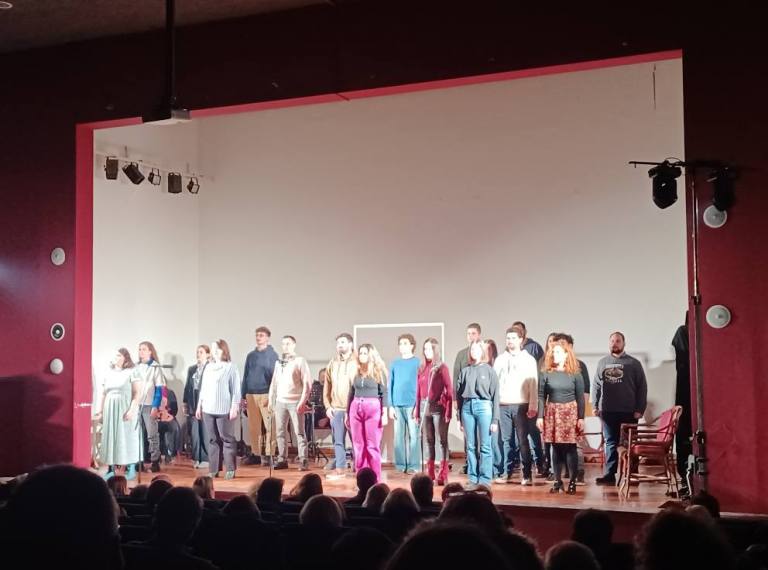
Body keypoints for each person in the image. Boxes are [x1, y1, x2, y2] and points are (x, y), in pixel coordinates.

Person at [593, 331, 648, 485]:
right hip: (608, 411)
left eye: (618, 341)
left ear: (624, 343)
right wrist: (595, 405)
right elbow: (596, 385)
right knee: (610, 443)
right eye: (612, 341)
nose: (614, 344)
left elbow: (642, 387)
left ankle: (632, 475)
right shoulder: (602, 362)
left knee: (630, 443)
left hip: (629, 411)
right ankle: (610, 475)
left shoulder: (634, 363)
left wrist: (640, 409)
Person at [537, 339, 585, 495]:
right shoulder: (546, 373)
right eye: (553, 352)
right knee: (555, 448)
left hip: (570, 412)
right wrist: (540, 416)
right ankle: (557, 481)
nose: (554, 355)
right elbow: (541, 396)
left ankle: (572, 482)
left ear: (566, 354)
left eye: (558, 352)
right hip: (553, 412)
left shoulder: (575, 374)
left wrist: (581, 418)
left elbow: (580, 397)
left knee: (570, 447)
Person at [493, 325, 539, 485]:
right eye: (508, 338)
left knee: (522, 440)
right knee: (506, 441)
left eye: (513, 338)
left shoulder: (528, 359)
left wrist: (533, 405)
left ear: (521, 340)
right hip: (503, 404)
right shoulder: (500, 359)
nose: (510, 341)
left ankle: (526, 474)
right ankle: (507, 472)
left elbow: (533, 384)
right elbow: (495, 383)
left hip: (521, 404)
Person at [94, 348, 142, 481]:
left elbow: (137, 393)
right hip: (110, 408)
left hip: (124, 407)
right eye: (115, 355)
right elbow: (103, 393)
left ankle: (130, 468)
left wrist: (131, 410)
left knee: (126, 437)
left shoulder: (132, 371)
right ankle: (111, 469)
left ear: (125, 358)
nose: (116, 357)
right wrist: (100, 411)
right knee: (111, 438)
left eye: (119, 355)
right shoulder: (109, 372)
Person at [196, 339, 241, 480]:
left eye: (218, 349)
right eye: (213, 349)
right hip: (208, 408)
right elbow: (203, 389)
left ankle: (230, 468)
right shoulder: (208, 367)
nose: (215, 351)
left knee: (226, 438)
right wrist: (199, 406)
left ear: (224, 350)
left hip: (224, 409)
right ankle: (214, 469)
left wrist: (234, 406)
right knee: (212, 439)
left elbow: (236, 390)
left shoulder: (231, 367)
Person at [457, 340, 500, 488]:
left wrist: (495, 420)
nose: (474, 352)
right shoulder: (465, 371)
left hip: (484, 407)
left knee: (485, 446)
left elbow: (495, 396)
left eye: (477, 349)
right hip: (467, 408)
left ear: (482, 351)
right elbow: (459, 395)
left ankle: (485, 479)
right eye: (472, 349)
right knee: (470, 446)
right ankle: (473, 478)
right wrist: (459, 417)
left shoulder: (489, 371)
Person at [269, 335, 312, 471]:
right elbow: (274, 383)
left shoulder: (300, 361)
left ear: (294, 345)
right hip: (280, 402)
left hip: (295, 401)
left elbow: (307, 383)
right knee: (280, 432)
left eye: (288, 343)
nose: (285, 346)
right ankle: (282, 459)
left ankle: (303, 459)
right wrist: (271, 399)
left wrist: (302, 401)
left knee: (299, 432)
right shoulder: (279, 363)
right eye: (283, 344)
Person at [347, 343, 389, 481]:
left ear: (371, 355)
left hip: (372, 408)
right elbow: (351, 393)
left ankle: (375, 479)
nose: (362, 356)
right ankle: (362, 479)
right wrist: (347, 413)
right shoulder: (355, 371)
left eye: (365, 353)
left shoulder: (378, 371)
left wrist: (384, 413)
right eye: (361, 353)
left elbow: (384, 393)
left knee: (372, 445)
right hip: (356, 407)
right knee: (358, 446)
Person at [414, 337, 453, 485]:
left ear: (435, 350)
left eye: (429, 349)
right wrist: (417, 412)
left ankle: (443, 473)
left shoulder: (441, 368)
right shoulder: (422, 368)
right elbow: (418, 392)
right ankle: (429, 473)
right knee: (429, 440)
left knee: (442, 441)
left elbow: (450, 390)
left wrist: (448, 410)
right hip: (425, 407)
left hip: (438, 407)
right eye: (425, 349)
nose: (427, 351)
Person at [553, 333, 590, 482]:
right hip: (557, 411)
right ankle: (563, 472)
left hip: (573, 410)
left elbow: (585, 392)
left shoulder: (579, 366)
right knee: (558, 443)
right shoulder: (552, 368)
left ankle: (578, 472)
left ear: (570, 347)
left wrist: (581, 414)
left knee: (575, 443)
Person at [241, 326, 279, 466]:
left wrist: (272, 395)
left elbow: (275, 377)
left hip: (266, 394)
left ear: (267, 338)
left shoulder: (272, 355)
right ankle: (256, 454)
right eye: (257, 335)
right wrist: (243, 395)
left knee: (270, 426)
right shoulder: (251, 356)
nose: (258, 338)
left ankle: (270, 454)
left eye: (261, 335)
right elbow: (246, 375)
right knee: (254, 427)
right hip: (251, 394)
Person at [325, 333, 357, 479]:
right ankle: (340, 468)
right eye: (338, 343)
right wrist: (328, 406)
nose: (340, 345)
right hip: (336, 409)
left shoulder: (357, 362)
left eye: (343, 342)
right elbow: (327, 386)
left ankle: (358, 467)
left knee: (356, 441)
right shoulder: (333, 363)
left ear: (350, 344)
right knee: (338, 441)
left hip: (352, 409)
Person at [389, 333, 421, 474]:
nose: (402, 346)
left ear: (412, 345)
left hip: (412, 405)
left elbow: (420, 385)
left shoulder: (417, 363)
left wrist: (417, 405)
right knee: (398, 438)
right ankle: (401, 465)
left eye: (405, 343)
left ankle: (414, 465)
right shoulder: (395, 363)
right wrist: (391, 406)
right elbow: (390, 385)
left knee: (414, 437)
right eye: (400, 344)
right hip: (397, 405)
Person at [453, 323, 482, 475]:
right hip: (465, 399)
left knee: (482, 434)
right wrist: (455, 398)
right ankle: (469, 462)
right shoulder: (461, 354)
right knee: (468, 433)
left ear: (479, 335)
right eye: (468, 334)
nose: (470, 336)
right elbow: (456, 377)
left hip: (481, 400)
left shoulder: (483, 352)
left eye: (473, 333)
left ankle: (482, 463)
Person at [134, 340, 167, 473]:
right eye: (139, 349)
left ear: (150, 351)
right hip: (138, 404)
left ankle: (155, 460)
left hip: (149, 405)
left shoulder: (155, 367)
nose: (141, 351)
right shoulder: (136, 367)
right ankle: (139, 460)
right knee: (138, 434)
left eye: (144, 349)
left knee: (152, 434)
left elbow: (159, 389)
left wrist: (155, 406)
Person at [183, 344, 210, 469]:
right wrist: (185, 402)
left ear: (207, 354)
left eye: (201, 352)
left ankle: (205, 458)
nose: (198, 354)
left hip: (205, 401)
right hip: (193, 400)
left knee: (204, 430)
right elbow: (187, 386)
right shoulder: (192, 369)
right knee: (194, 431)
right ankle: (196, 457)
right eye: (197, 352)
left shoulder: (210, 368)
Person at [157, 388, 181, 464]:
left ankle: (170, 453)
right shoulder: (154, 393)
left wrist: (169, 416)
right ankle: (156, 456)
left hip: (168, 417)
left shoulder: (170, 393)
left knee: (174, 427)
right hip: (156, 418)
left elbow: (174, 410)